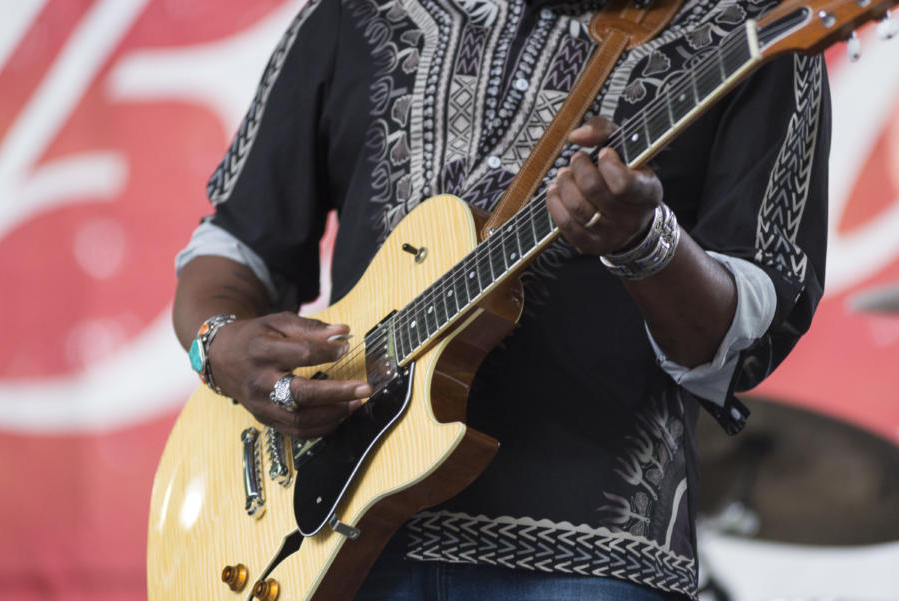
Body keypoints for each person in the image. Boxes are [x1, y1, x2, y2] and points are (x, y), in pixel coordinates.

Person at [173, 0, 829, 598]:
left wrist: (644, 243)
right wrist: (218, 342)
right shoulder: (357, 14)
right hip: (335, 547)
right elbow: (236, 245)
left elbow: (742, 340)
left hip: (588, 560)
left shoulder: (755, 30)